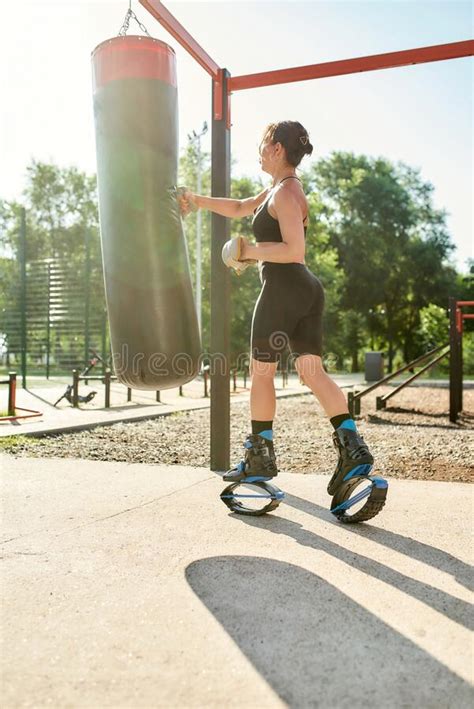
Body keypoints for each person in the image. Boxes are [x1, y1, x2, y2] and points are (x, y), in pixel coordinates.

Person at [178, 120, 374, 496]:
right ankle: (354, 450)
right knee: (312, 373)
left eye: (264, 144)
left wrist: (248, 251)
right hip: (305, 290)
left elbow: (292, 250)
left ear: (278, 149)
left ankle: (259, 458)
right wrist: (196, 200)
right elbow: (239, 207)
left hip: (285, 287)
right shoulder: (277, 190)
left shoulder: (285, 194)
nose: (260, 150)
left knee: (261, 373)